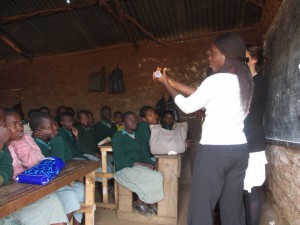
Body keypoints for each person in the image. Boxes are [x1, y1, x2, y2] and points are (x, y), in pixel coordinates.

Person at [153, 32, 254, 225]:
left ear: (226, 55)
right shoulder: (246, 82)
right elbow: (205, 95)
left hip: (215, 152)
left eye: (212, 53)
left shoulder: (215, 81)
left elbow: (187, 106)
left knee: (201, 207)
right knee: (233, 208)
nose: (209, 57)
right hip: (240, 151)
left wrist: (166, 84)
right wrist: (171, 81)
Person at [1, 108, 68, 225]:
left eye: (21, 123)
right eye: (14, 124)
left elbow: (38, 161)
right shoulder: (5, 145)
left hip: (25, 191)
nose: (20, 127)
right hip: (10, 197)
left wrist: (19, 142)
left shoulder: (24, 139)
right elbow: (9, 171)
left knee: (53, 201)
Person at [29, 111, 85, 225]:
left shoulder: (52, 140)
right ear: (39, 131)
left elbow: (68, 156)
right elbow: (56, 163)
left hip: (57, 181)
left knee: (81, 190)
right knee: (71, 196)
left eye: (55, 125)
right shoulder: (34, 145)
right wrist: (55, 138)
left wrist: (55, 138)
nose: (55, 129)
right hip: (45, 185)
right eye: (51, 127)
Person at [112, 111, 164, 215]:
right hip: (123, 169)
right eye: (130, 119)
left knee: (157, 173)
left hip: (136, 167)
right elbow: (119, 159)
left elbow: (143, 154)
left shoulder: (137, 136)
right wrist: (143, 164)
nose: (134, 121)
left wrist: (152, 163)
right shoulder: (118, 136)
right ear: (123, 123)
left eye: (135, 119)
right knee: (155, 177)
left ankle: (150, 202)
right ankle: (139, 202)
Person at [243, 44, 268, 225]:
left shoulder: (260, 81)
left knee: (251, 190)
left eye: (245, 58)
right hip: (243, 142)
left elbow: (246, 108)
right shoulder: (246, 82)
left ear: (254, 60)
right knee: (244, 189)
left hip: (253, 142)